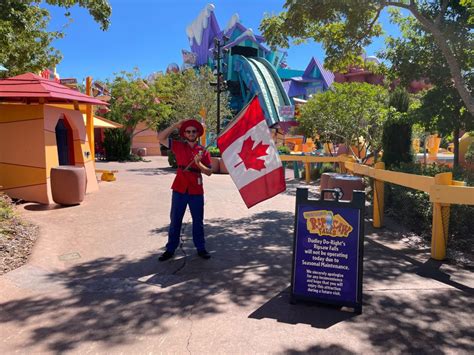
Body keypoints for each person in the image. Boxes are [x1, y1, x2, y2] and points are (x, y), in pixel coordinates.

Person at [157, 118, 213, 261]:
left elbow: (209, 172)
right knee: (175, 220)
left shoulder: (203, 151)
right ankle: (170, 249)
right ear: (184, 133)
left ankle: (201, 248)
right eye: (188, 131)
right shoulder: (178, 146)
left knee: (198, 221)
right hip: (180, 188)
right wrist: (175, 125)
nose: (191, 133)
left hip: (196, 190)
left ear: (197, 133)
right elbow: (160, 137)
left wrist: (199, 164)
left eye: (194, 131)